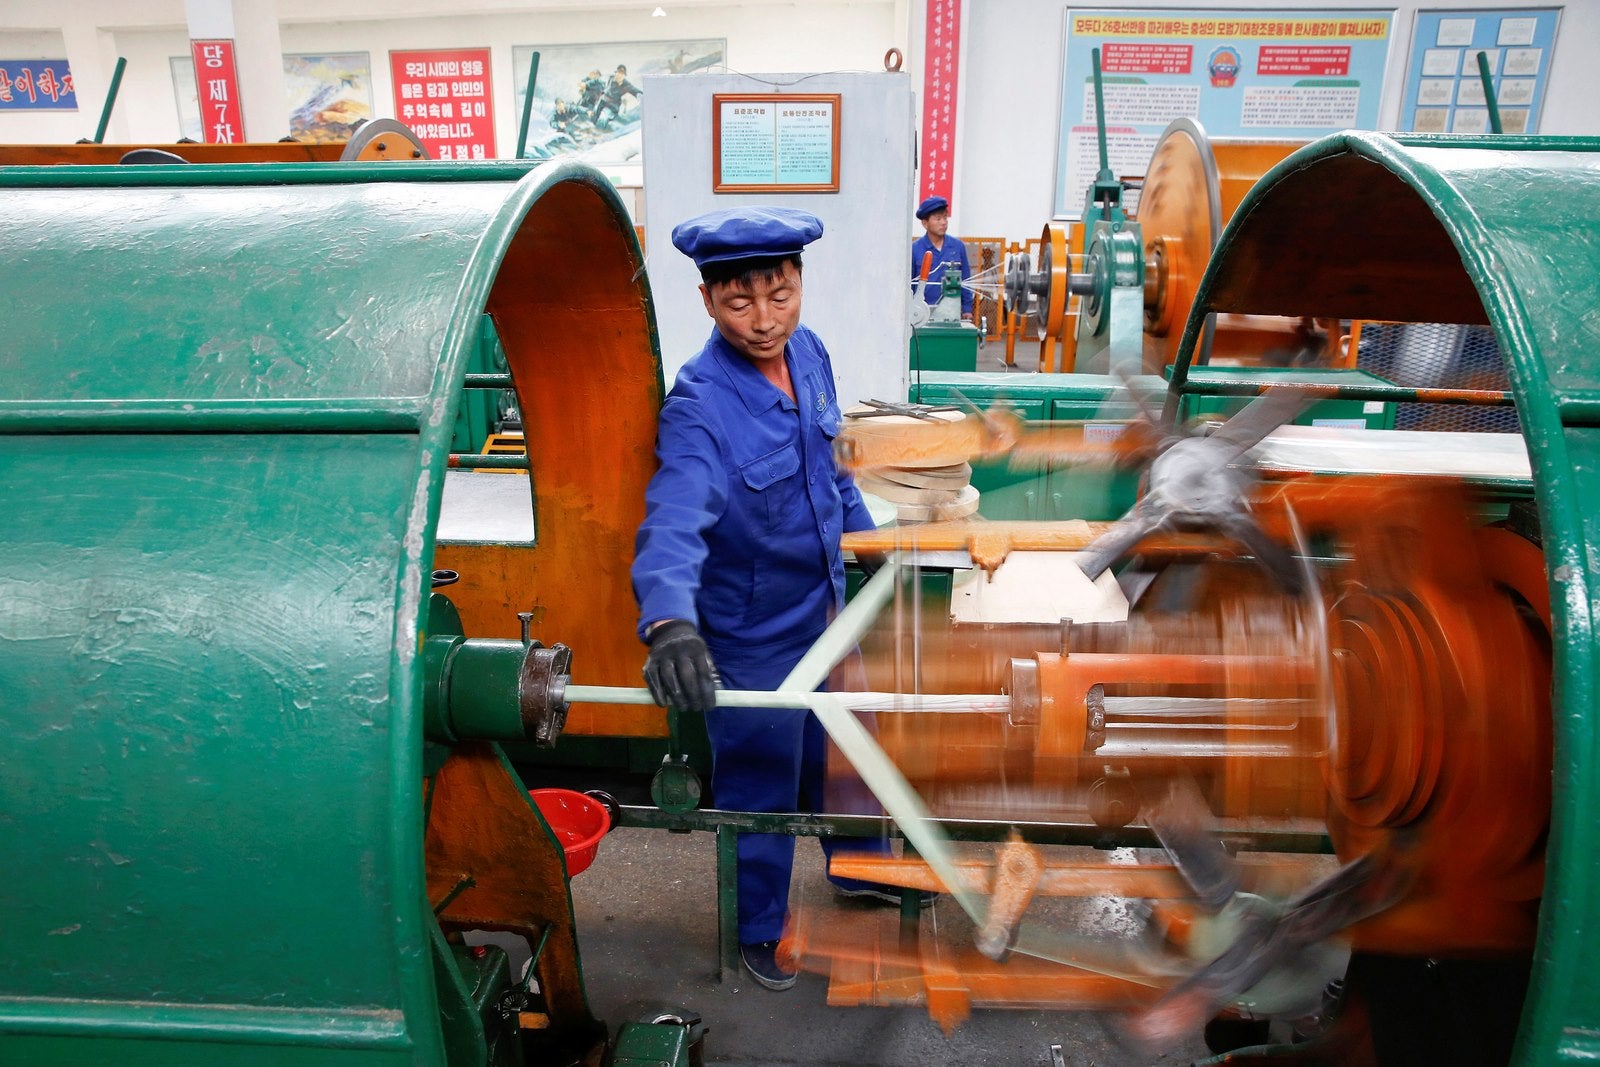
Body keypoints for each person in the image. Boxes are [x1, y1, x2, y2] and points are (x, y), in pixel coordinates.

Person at [632, 207, 904, 993]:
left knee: (850, 751)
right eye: (739, 302)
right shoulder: (698, 405)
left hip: (824, 605)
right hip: (751, 633)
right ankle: (757, 924)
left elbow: (832, 464)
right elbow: (674, 518)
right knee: (761, 779)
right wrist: (670, 620)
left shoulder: (809, 352)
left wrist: (867, 549)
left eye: (779, 295)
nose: (763, 320)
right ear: (708, 299)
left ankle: (858, 866)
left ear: (798, 283)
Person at [910, 195, 972, 320]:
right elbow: (909, 284)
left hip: (952, 314)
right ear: (925, 223)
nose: (943, 222)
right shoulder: (915, 249)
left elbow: (966, 279)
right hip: (922, 314)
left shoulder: (957, 246)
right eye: (938, 219)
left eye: (945, 217)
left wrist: (967, 309)